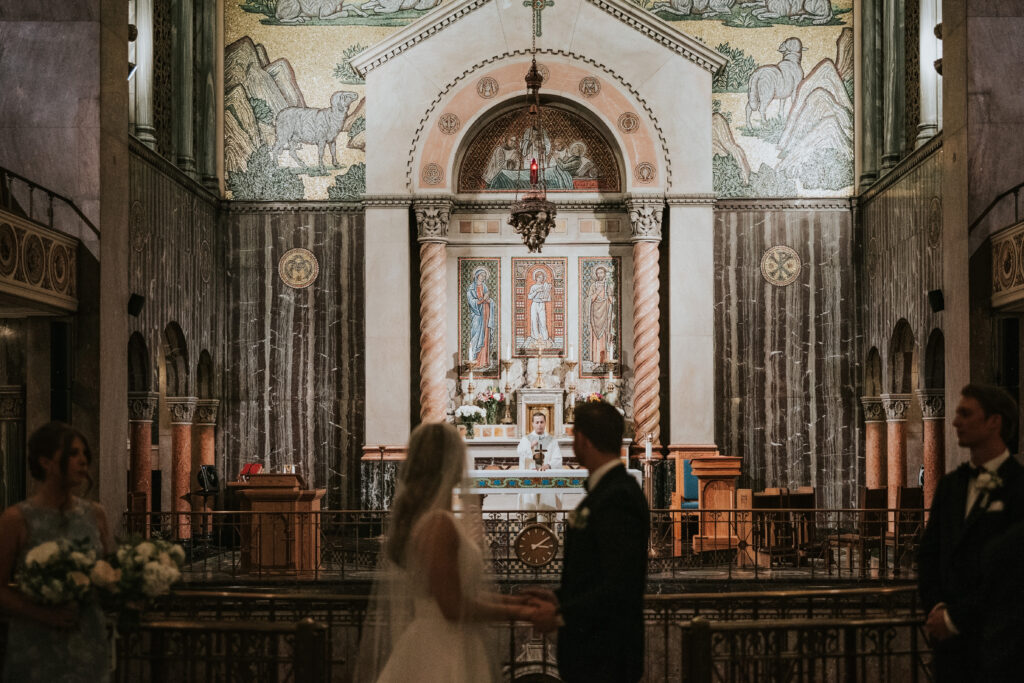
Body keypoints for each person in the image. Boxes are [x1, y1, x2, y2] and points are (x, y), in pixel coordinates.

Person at [355, 422, 535, 682]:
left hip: (445, 638)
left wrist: (519, 602)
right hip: (441, 646)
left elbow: (461, 590)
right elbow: (452, 605)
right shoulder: (439, 523)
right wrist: (522, 613)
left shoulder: (434, 519)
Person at [525, 401, 649, 683]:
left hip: (606, 653)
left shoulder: (618, 496)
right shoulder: (607, 489)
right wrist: (559, 596)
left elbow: (620, 585)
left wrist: (560, 612)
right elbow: (596, 572)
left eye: (574, 436)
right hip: (592, 649)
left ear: (583, 440)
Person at [917, 384, 1024, 683]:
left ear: (994, 422)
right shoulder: (951, 485)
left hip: (1000, 646)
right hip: (950, 651)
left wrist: (955, 618)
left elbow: (1012, 575)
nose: (955, 422)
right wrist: (936, 607)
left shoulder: (1019, 487)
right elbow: (929, 553)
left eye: (966, 413)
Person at [0, 422, 114, 683]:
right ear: (46, 462)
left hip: (87, 638)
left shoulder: (95, 514)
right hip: (37, 640)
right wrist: (44, 615)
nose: (83, 460)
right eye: (73, 454)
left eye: (84, 453)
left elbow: (107, 571)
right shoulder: (17, 518)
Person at [516, 412, 563, 520]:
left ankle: (547, 530)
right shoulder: (526, 439)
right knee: (529, 508)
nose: (539, 425)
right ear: (532, 424)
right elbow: (520, 452)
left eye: (542, 422)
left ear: (545, 423)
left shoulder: (552, 440)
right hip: (530, 479)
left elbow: (558, 458)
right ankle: (528, 531)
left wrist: (548, 465)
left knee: (546, 507)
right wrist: (530, 446)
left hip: (546, 480)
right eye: (537, 422)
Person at [467, 267, 495, 369]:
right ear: (477, 275)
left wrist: (488, 300)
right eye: (481, 275)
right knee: (477, 336)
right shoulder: (471, 288)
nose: (483, 277)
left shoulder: (485, 287)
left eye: (484, 276)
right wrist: (483, 299)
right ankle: (475, 361)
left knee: (485, 336)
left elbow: (489, 301)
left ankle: (484, 361)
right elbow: (472, 302)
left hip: (486, 312)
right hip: (477, 315)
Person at [585, 266, 613, 365]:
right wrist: (597, 292)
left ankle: (604, 360)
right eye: (598, 273)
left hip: (604, 313)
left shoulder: (607, 285)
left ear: (604, 274)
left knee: (604, 336)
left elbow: (610, 298)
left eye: (601, 273)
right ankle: (596, 360)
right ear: (595, 275)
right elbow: (590, 299)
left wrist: (611, 299)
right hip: (595, 314)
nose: (600, 275)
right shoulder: (593, 285)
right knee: (595, 338)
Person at [527, 270, 552, 344]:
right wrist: (537, 291)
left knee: (542, 321)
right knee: (534, 321)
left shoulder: (544, 286)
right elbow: (529, 297)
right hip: (534, 304)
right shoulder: (533, 287)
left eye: (542, 277)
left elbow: (548, 298)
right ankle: (535, 338)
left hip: (541, 304)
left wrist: (545, 295)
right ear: (536, 278)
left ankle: (545, 338)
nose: (541, 279)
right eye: (539, 277)